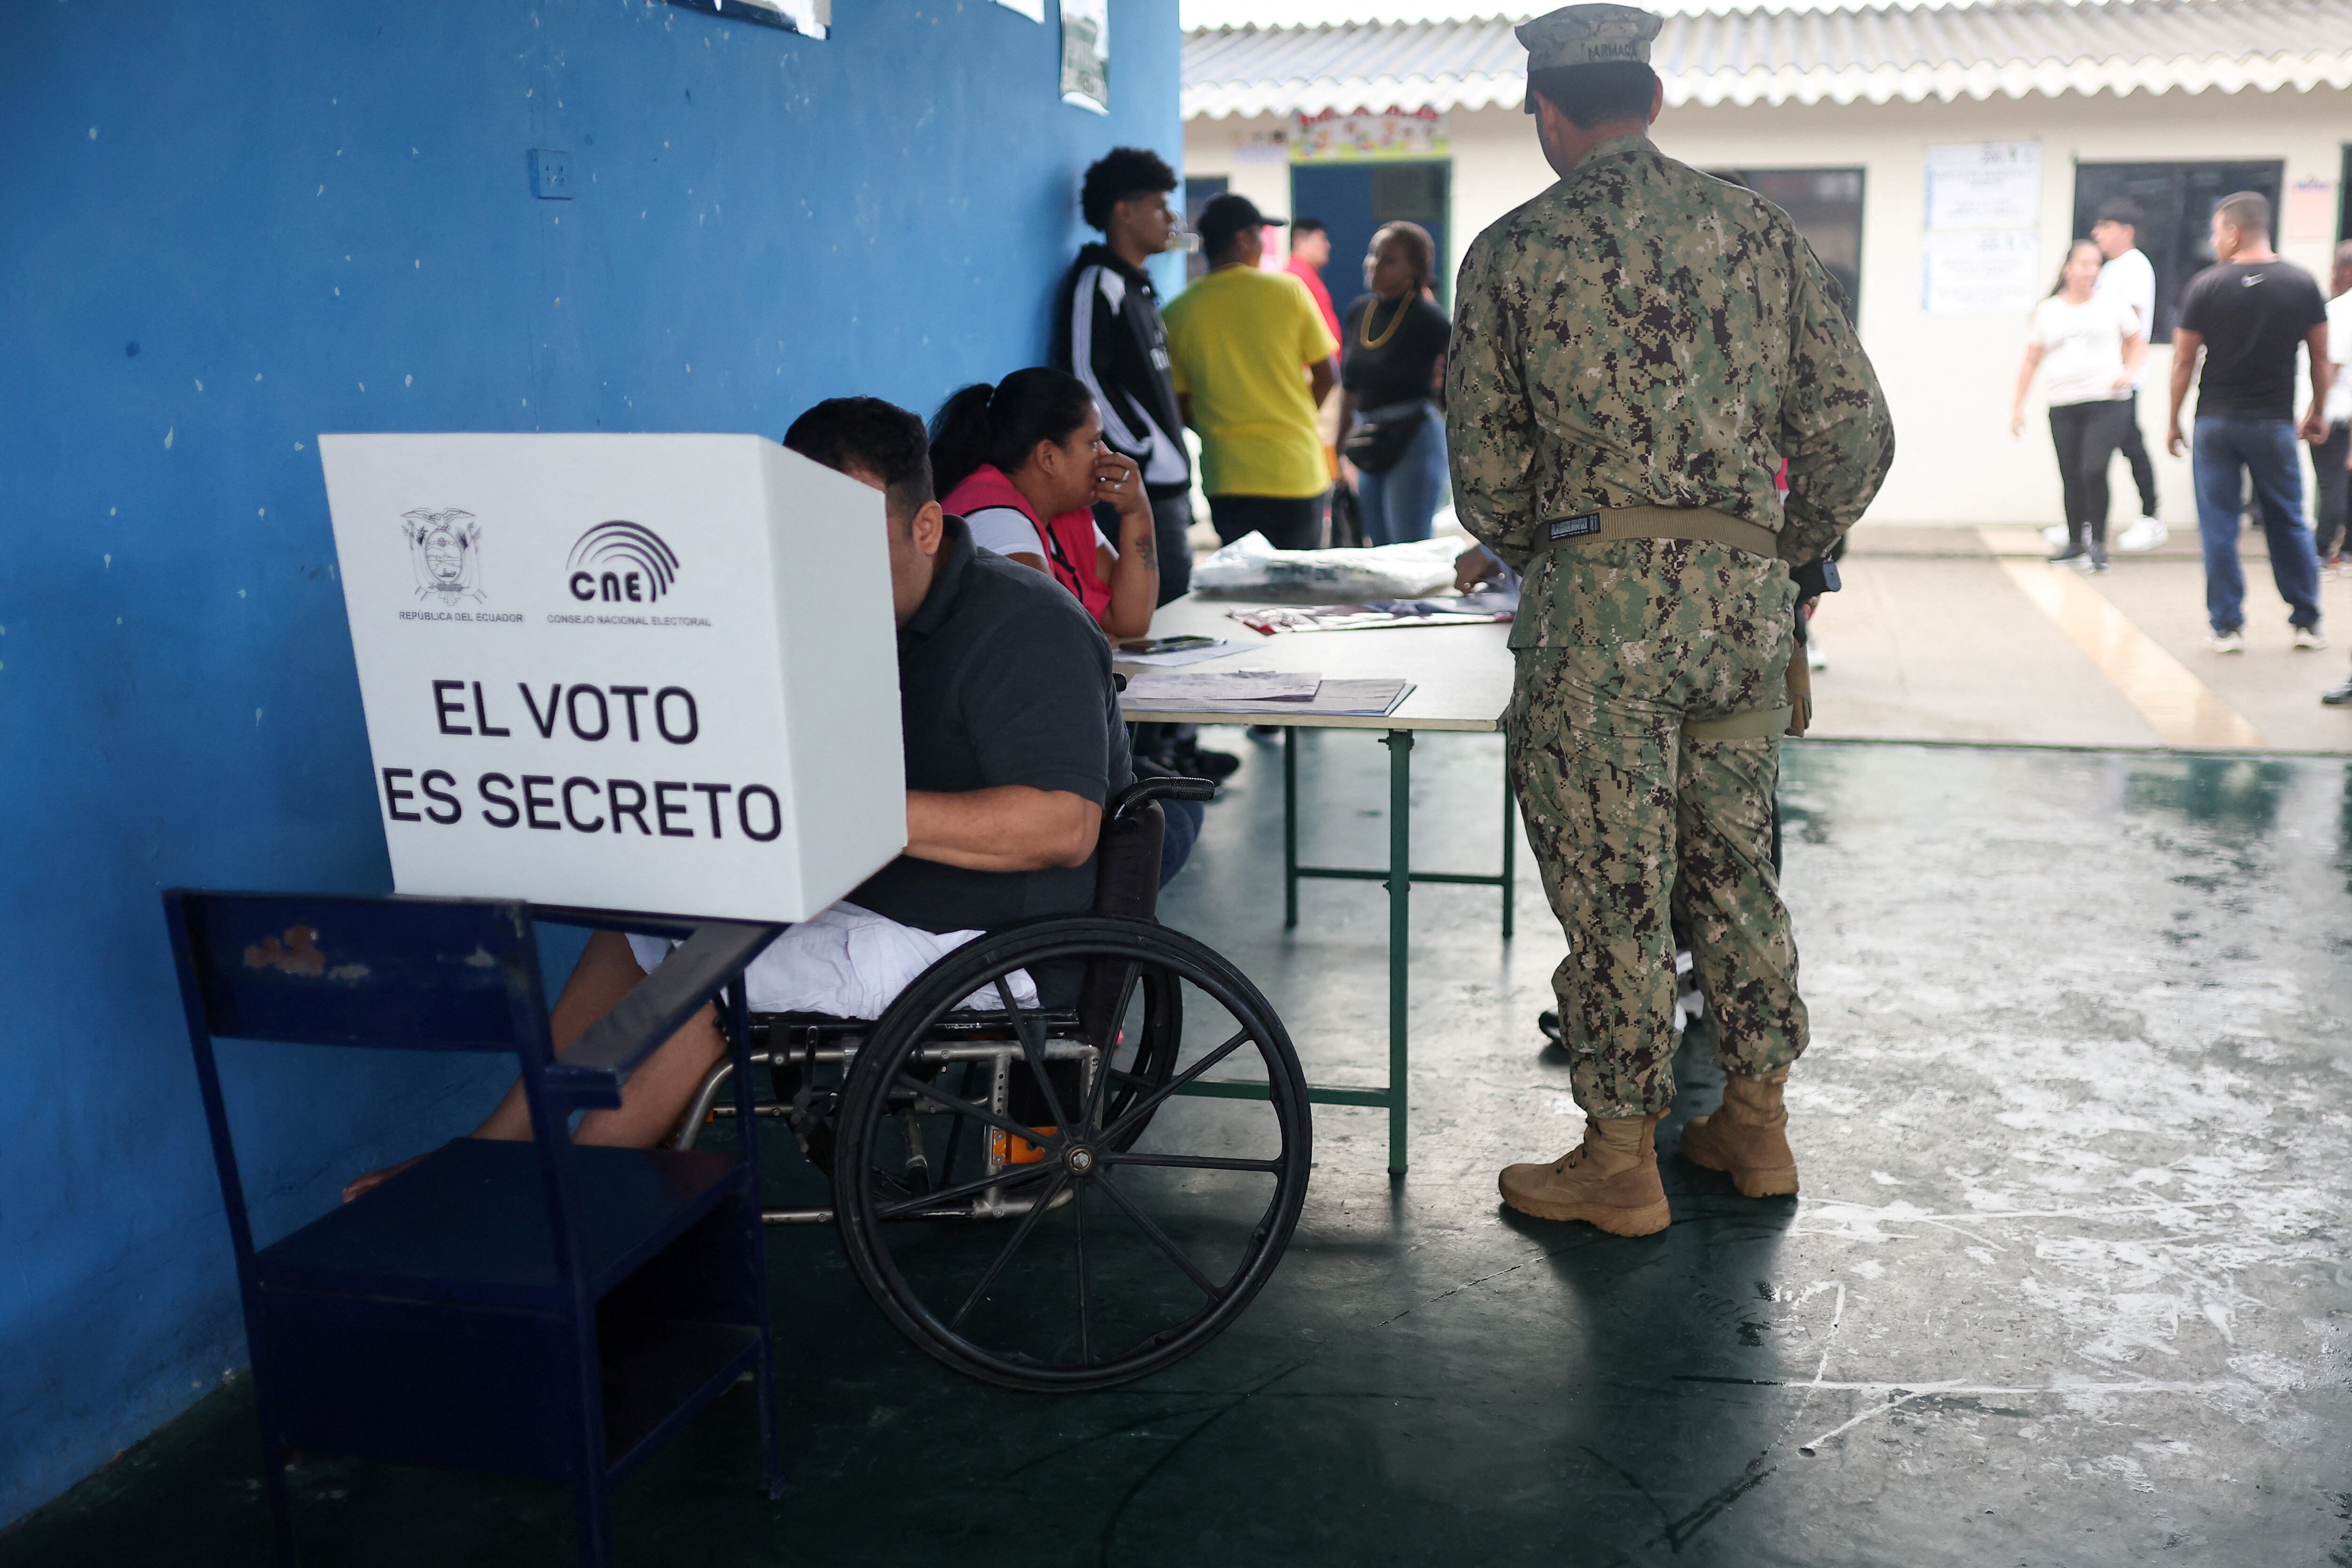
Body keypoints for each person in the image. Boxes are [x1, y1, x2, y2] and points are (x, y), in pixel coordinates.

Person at [343, 397, 1137, 1202]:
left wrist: (847, 805)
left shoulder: (1026, 627)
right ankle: (490, 1156)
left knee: (705, 982)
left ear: (926, 527)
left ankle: (549, 1208)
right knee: (635, 928)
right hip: (867, 901)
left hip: (996, 941)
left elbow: (1063, 826)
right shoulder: (830, 617)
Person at [1448, 3, 1893, 1237]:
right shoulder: (1758, 230)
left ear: (1550, 112)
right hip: (1746, 606)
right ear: (1649, 100)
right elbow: (1855, 430)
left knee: (1616, 882)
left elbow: (1485, 476)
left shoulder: (1515, 250)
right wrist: (1782, 559)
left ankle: (1621, 1157)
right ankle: (1755, 1125)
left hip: (1602, 613)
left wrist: (1553, 544)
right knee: (1736, 867)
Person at [2164, 190, 2330, 655]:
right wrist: (2315, 411)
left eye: (2217, 232)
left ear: (2233, 232)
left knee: (2218, 525)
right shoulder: (2300, 284)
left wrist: (2172, 419)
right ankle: (2305, 621)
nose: (2214, 241)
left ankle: (2226, 626)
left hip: (2214, 425)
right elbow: (2320, 356)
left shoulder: (2204, 286)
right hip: (2273, 425)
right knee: (2288, 522)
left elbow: (2182, 361)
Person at [1054, 147, 1197, 606]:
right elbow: (1083, 374)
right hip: (1137, 487)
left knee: (1174, 602)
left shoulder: (1139, 287)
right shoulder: (1097, 282)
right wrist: (1137, 449)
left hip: (1166, 486)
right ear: (1125, 212)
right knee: (1147, 615)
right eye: (1158, 206)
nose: (1170, 217)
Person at [1161, 191, 1340, 551]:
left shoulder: (1177, 312)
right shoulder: (1289, 290)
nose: (1263, 245)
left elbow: (1180, 404)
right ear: (1243, 239)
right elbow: (1328, 375)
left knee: (1242, 595)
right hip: (1295, 471)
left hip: (1228, 477)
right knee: (1300, 595)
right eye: (1260, 235)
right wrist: (1296, 415)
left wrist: (1219, 428)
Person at [929, 368, 1159, 641]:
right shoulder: (997, 520)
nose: (1106, 455)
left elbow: (1130, 620)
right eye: (1094, 442)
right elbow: (1051, 636)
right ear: (1049, 457)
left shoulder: (1061, 510)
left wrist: (1136, 511)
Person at [2010, 238, 2146, 571]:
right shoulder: (2048, 310)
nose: (2091, 271)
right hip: (2063, 402)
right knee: (2071, 474)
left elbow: (2137, 341)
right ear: (2068, 268)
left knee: (2094, 469)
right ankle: (2075, 542)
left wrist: (2128, 372)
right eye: (2084, 264)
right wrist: (2017, 406)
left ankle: (2098, 543)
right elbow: (2031, 361)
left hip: (2106, 400)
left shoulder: (2112, 304)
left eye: (2096, 265)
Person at [1339, 221, 1453, 545]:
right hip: (1369, 439)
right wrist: (1338, 448)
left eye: (1388, 259)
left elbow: (1460, 375)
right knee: (1378, 547)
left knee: (1409, 547)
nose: (1374, 264)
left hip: (1413, 438)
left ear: (1415, 268)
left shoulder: (1427, 317)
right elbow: (1349, 385)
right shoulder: (1361, 312)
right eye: (1373, 255)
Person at [2093, 199, 2167, 552]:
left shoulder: (2133, 267)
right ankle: (2084, 519)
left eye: (2105, 226)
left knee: (2128, 447)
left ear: (2126, 231)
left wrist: (2124, 371)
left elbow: (2132, 326)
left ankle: (2151, 518)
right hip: (2102, 379)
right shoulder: (2110, 268)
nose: (2097, 234)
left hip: (2121, 380)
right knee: (2108, 449)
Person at [1286, 217, 1343, 348]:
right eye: (1322, 239)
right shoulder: (1296, 278)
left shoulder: (1307, 275)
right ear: (1301, 243)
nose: (1327, 245)